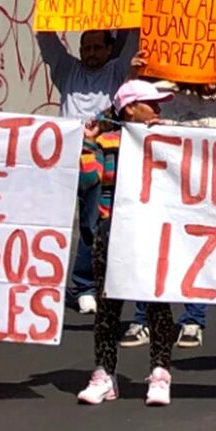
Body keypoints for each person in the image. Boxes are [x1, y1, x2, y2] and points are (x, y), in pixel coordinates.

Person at [122, 59, 216, 349]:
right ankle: (143, 318)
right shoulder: (162, 92)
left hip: (208, 193)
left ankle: (193, 320)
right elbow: (129, 112)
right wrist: (132, 75)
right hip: (165, 188)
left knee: (200, 254)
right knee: (154, 252)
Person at [77, 80, 178, 406]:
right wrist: (87, 144)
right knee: (108, 307)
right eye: (152, 103)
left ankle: (160, 373)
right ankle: (105, 374)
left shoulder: (167, 139)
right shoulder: (106, 142)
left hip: (152, 229)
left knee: (157, 303)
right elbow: (88, 181)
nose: (158, 109)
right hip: (112, 231)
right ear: (130, 108)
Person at [37, 28, 139, 316]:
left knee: (92, 222)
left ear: (109, 50)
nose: (91, 54)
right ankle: (44, 282)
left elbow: (135, 36)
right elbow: (46, 38)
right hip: (64, 157)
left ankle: (84, 286)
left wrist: (136, 7)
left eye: (97, 48)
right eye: (86, 48)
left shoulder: (117, 71)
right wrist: (43, 8)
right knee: (50, 223)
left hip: (100, 158)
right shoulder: (67, 69)